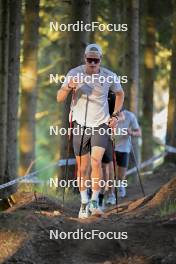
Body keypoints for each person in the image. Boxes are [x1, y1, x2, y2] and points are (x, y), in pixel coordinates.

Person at [57, 43, 124, 218]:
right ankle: (84, 202)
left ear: (101, 60)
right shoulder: (74, 73)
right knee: (83, 167)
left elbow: (120, 93)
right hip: (80, 124)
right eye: (89, 60)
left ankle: (95, 201)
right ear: (84, 58)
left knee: (96, 162)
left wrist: (115, 115)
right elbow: (59, 98)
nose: (92, 63)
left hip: (101, 124)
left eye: (96, 60)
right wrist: (68, 86)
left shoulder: (109, 76)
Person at [114, 109, 141, 198]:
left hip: (124, 147)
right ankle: (110, 192)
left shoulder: (130, 116)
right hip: (110, 146)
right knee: (110, 170)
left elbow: (139, 132)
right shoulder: (108, 114)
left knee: (121, 171)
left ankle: (120, 186)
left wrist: (131, 133)